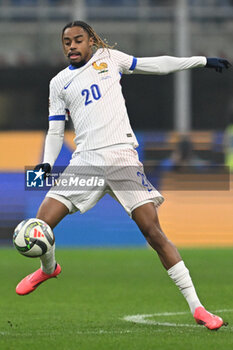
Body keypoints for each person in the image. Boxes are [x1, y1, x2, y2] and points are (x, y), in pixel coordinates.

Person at [16, 20, 230, 330]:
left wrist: (201, 60)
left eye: (78, 40)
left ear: (92, 42)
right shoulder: (59, 83)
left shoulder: (109, 59)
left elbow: (157, 65)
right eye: (67, 41)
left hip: (122, 158)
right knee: (40, 223)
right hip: (85, 162)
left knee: (153, 233)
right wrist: (47, 164)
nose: (72, 46)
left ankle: (198, 308)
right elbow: (55, 129)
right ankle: (48, 268)